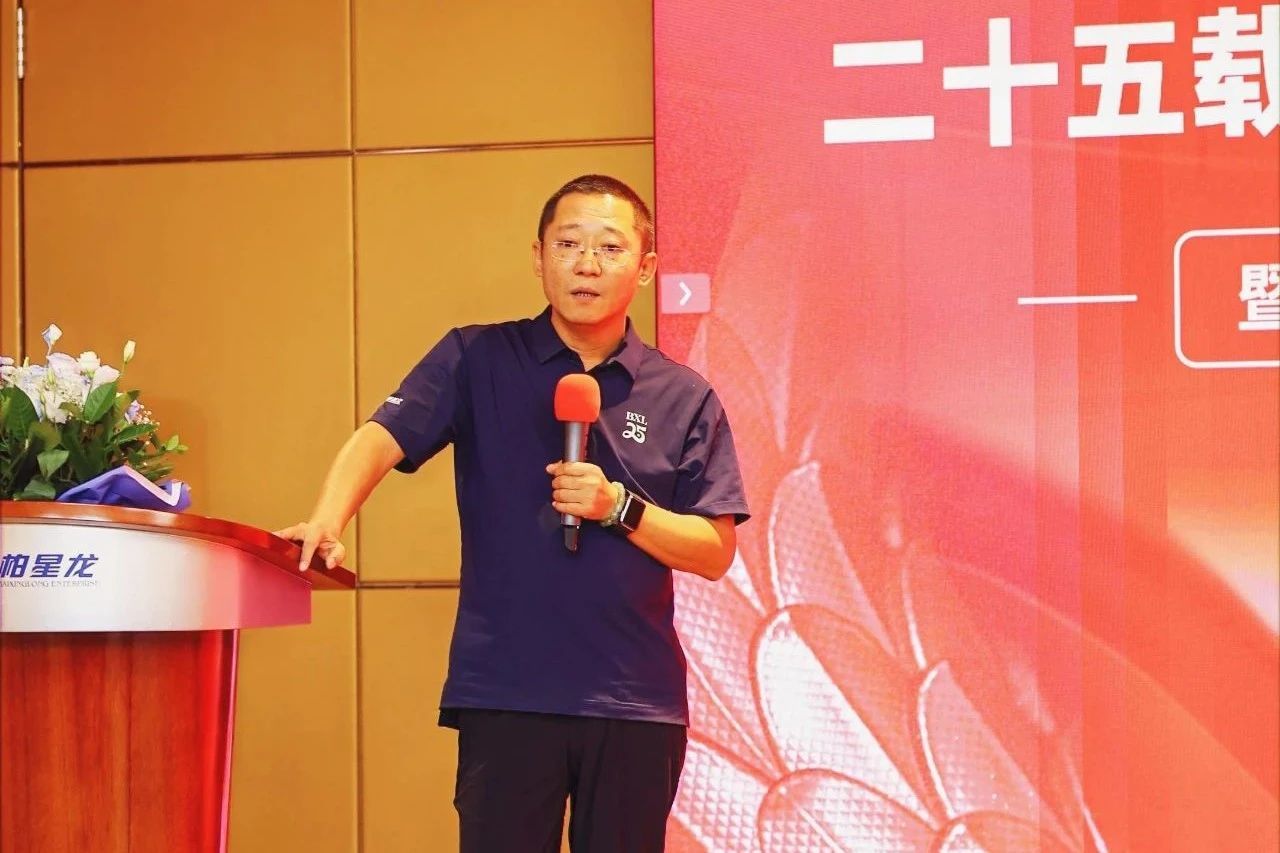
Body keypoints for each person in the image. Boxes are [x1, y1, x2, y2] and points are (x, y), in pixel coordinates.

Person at [276, 174, 750, 853]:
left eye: (610, 247)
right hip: (506, 689)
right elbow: (380, 437)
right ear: (538, 256)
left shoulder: (684, 395)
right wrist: (328, 519)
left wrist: (618, 506)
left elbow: (714, 549)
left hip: (633, 699)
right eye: (569, 244)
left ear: (645, 268)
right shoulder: (477, 358)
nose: (587, 264)